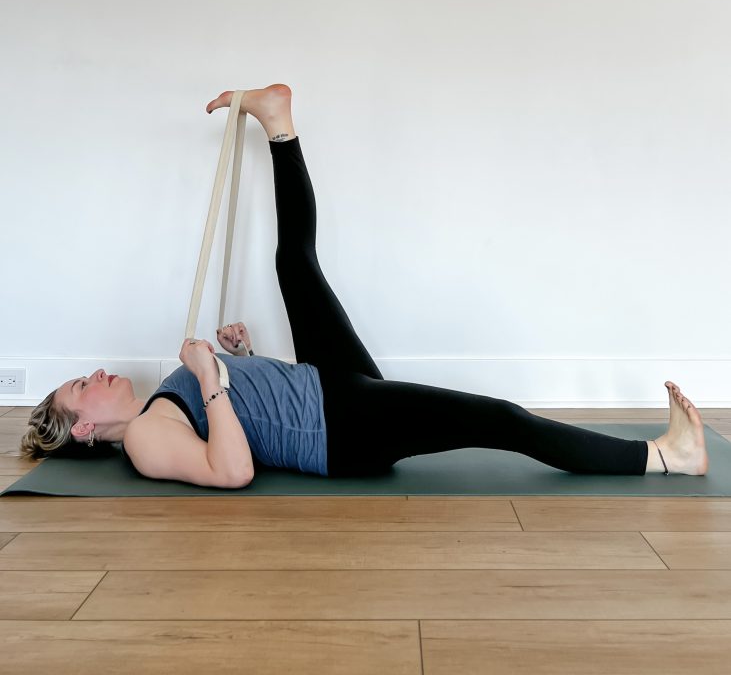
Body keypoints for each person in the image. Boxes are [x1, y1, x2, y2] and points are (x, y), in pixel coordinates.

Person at [21, 84, 709, 487]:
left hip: (327, 389)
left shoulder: (155, 411)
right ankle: (663, 457)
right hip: (340, 432)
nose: (100, 373)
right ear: (84, 427)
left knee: (294, 265)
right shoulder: (143, 440)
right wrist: (210, 376)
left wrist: (243, 355)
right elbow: (231, 471)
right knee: (498, 418)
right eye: (84, 383)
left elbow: (253, 413)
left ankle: (279, 122)